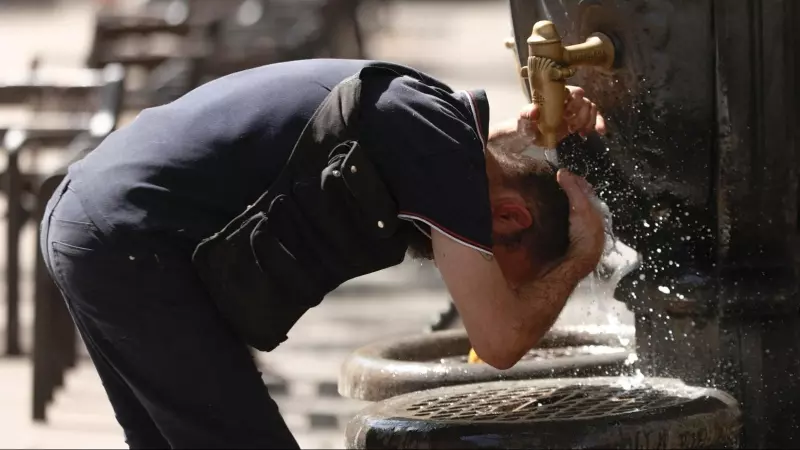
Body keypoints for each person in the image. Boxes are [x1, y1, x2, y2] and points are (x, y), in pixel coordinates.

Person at [39, 59, 606, 448]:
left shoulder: (433, 129)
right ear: (511, 219)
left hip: (90, 215)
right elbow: (501, 341)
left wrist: (528, 135)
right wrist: (582, 255)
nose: (477, 285)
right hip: (128, 239)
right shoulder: (440, 148)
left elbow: (459, 166)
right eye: (508, 278)